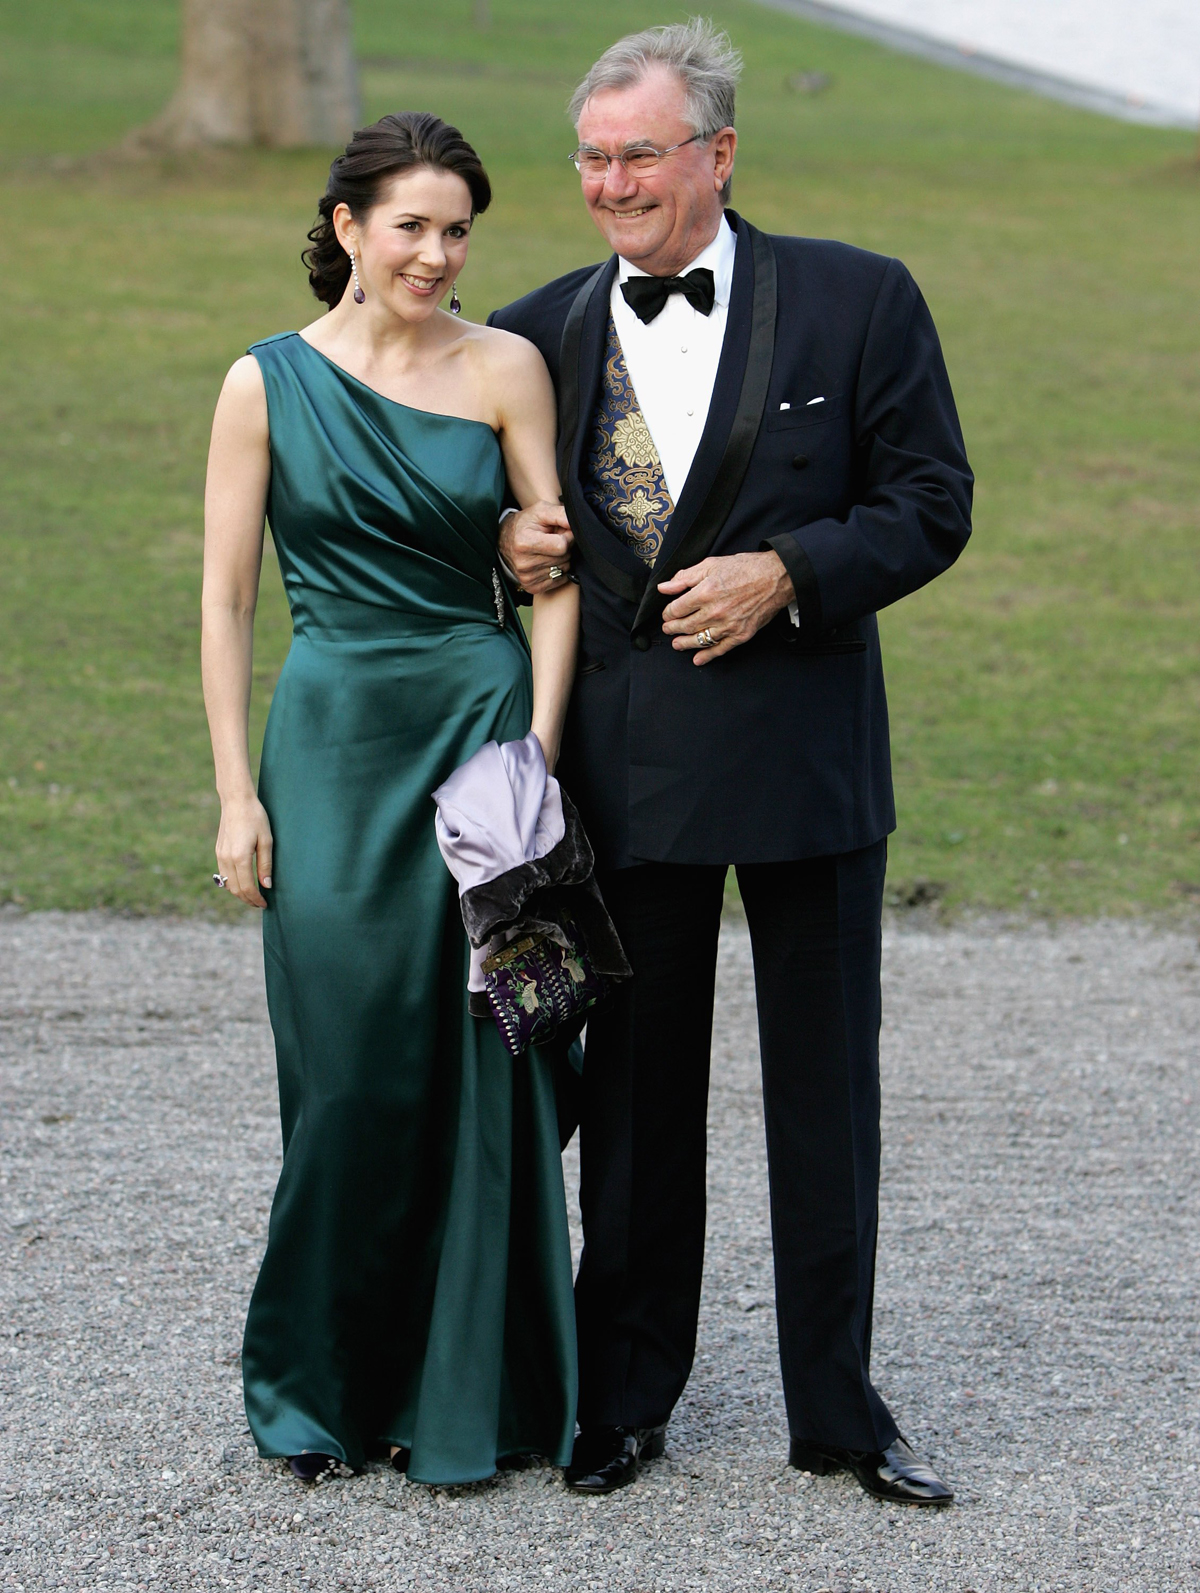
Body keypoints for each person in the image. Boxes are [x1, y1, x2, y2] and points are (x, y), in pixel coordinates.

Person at [491, 21, 972, 1502]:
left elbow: (931, 503)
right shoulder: (533, 335)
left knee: (827, 1097)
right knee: (635, 1100)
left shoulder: (860, 298)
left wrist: (790, 571)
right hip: (628, 778)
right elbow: (488, 536)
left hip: (810, 761)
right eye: (593, 157)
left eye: (641, 151)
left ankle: (839, 1408)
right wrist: (507, 548)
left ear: (720, 151)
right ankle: (625, 1397)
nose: (614, 182)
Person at [200, 112, 582, 1485]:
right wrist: (238, 792)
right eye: (410, 224)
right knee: (351, 1071)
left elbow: (552, 569)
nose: (436, 251)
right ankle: (322, 1387)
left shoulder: (507, 368)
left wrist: (531, 755)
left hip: (479, 736)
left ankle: (470, 1388)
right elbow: (229, 596)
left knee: (487, 1060)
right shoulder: (264, 383)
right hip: (333, 740)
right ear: (348, 226)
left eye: (459, 227)